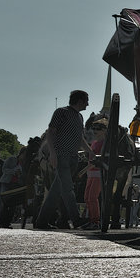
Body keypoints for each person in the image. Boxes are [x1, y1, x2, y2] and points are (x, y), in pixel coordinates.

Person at [36, 90, 93, 230]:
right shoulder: (61, 112)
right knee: (68, 188)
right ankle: (76, 219)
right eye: (86, 100)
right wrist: (53, 154)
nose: (88, 104)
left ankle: (41, 222)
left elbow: (80, 138)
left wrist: (90, 151)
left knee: (55, 191)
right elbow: (51, 132)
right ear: (80, 101)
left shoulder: (79, 116)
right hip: (61, 156)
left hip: (73, 158)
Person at [83, 119, 107, 229]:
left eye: (98, 129)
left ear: (104, 131)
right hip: (91, 174)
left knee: (92, 197)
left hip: (98, 173)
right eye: (94, 128)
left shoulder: (104, 144)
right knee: (87, 197)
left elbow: (97, 160)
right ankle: (92, 219)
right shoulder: (94, 143)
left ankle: (96, 221)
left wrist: (82, 171)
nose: (95, 131)